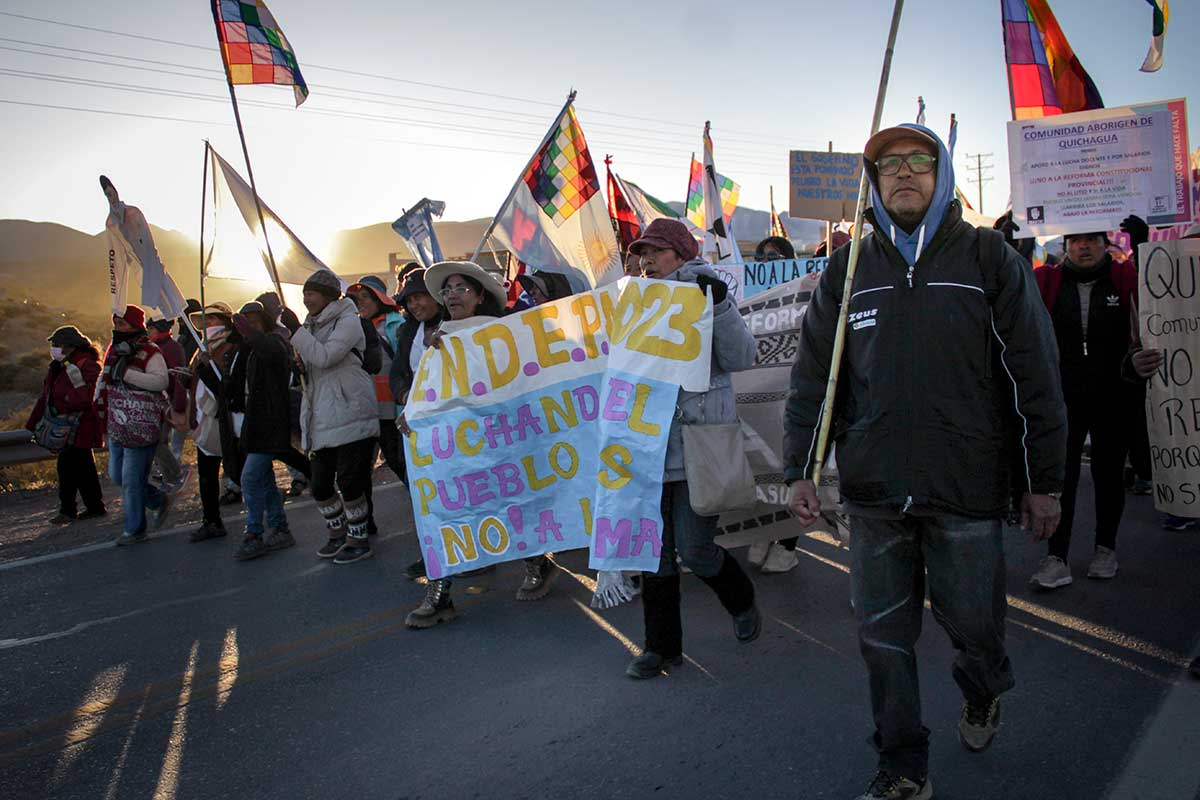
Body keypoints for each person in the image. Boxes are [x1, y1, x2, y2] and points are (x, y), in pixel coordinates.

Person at [783, 124, 1066, 800]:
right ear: (874, 184)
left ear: (942, 176)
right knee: (882, 637)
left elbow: (1033, 375)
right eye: (889, 166)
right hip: (875, 491)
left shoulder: (989, 259)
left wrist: (1044, 481)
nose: (904, 173)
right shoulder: (848, 270)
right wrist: (800, 468)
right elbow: (817, 379)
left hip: (965, 487)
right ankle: (903, 764)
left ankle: (983, 688)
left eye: (919, 161)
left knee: (974, 627)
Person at [622, 218, 761, 679]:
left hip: (698, 446)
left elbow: (742, 357)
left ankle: (742, 601)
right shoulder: (631, 303)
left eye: (655, 251)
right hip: (646, 448)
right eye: (642, 253)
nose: (646, 260)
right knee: (654, 553)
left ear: (682, 254)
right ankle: (660, 648)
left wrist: (718, 307)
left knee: (696, 549)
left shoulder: (707, 295)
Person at [401, 260, 557, 628]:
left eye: (461, 288)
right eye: (447, 290)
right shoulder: (437, 338)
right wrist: (411, 411)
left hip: (494, 440)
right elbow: (430, 388)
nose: (452, 295)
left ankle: (537, 562)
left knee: (503, 504)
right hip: (450, 444)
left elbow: (515, 383)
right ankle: (440, 593)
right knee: (444, 510)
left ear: (479, 296)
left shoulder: (498, 334)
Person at [1027, 231, 1138, 589]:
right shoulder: (1047, 281)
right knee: (1062, 479)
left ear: (1106, 244)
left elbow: (1154, 305)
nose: (1084, 247)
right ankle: (1056, 558)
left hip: (1113, 395)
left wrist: (1143, 243)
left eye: (1092, 239)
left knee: (1109, 475)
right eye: (1076, 240)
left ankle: (1106, 549)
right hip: (1063, 399)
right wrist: (1016, 245)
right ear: (1066, 247)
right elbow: (1014, 296)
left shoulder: (1123, 278)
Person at [279, 269, 378, 565]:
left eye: (311, 293)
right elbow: (313, 364)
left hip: (350, 409)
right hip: (320, 413)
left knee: (349, 481)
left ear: (328, 295)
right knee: (320, 483)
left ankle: (358, 538)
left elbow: (325, 357)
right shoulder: (310, 325)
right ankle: (338, 532)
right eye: (304, 294)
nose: (306, 299)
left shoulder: (348, 320)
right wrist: (298, 364)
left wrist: (296, 333)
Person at [741, 236, 804, 574]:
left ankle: (788, 543)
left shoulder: (805, 296)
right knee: (761, 469)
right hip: (759, 401)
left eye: (774, 257)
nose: (765, 264)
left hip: (793, 397)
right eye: (760, 258)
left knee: (790, 469)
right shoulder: (748, 299)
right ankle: (765, 531)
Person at [95, 305, 176, 545]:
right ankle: (158, 500)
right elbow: (105, 378)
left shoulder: (150, 351)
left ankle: (135, 529)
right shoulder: (114, 351)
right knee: (118, 475)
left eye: (122, 324)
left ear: (133, 325)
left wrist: (128, 375)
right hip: (118, 422)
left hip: (141, 424)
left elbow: (160, 381)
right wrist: (98, 401)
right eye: (115, 323)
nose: (117, 328)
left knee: (131, 479)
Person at [226, 301, 297, 560]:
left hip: (270, 422)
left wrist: (250, 333)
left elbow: (271, 352)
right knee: (265, 480)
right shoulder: (245, 350)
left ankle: (254, 533)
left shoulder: (274, 343)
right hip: (254, 423)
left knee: (250, 478)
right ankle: (280, 527)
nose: (250, 327)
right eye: (246, 323)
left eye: (255, 322)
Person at [388, 268, 445, 580]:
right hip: (418, 425)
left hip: (451, 424)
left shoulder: (453, 325)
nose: (415, 305)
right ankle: (434, 551)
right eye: (409, 300)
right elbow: (398, 371)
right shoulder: (408, 332)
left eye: (420, 297)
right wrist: (404, 394)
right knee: (425, 492)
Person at [26, 326, 106, 524]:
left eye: (57, 344)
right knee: (81, 468)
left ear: (71, 346)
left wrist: (63, 404)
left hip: (80, 425)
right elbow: (46, 396)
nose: (54, 348)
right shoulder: (57, 366)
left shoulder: (86, 365)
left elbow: (87, 396)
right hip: (66, 425)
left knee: (70, 468)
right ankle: (92, 507)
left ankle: (71, 510)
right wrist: (33, 422)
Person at [347, 274, 408, 487]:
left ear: (379, 298)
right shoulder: (353, 328)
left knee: (403, 461)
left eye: (366, 296)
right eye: (357, 298)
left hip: (398, 407)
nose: (360, 302)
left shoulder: (396, 325)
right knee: (390, 460)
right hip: (371, 409)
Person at [182, 307, 236, 542]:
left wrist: (206, 367)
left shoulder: (229, 346)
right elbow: (198, 379)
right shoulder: (203, 347)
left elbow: (225, 385)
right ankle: (211, 520)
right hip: (204, 417)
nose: (206, 323)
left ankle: (273, 520)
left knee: (244, 472)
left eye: (212, 318)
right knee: (207, 472)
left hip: (225, 417)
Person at [147, 315, 189, 493]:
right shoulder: (156, 347)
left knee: (158, 442)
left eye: (151, 328)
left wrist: (178, 404)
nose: (148, 332)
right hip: (160, 402)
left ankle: (175, 474)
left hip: (169, 402)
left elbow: (178, 377)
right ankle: (169, 477)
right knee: (159, 441)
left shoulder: (171, 348)